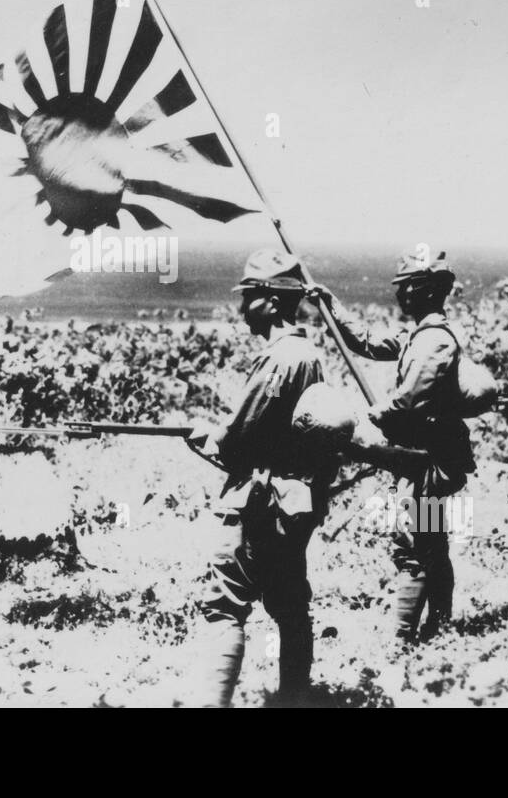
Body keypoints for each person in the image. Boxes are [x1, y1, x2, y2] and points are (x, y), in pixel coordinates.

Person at [186, 248, 331, 706]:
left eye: (248, 297)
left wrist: (207, 438)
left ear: (270, 300)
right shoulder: (308, 354)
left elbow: (238, 443)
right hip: (295, 504)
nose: (242, 308)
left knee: (224, 607)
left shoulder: (279, 359)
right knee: (290, 608)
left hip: (259, 505)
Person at [314, 248, 475, 643]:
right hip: (424, 460)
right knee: (431, 544)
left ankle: (404, 641)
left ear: (421, 290)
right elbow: (365, 342)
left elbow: (410, 402)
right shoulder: (418, 336)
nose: (399, 295)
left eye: (405, 288)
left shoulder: (433, 341)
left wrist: (377, 416)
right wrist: (331, 305)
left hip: (427, 463)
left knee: (413, 548)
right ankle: (439, 629)